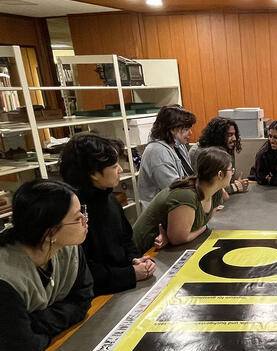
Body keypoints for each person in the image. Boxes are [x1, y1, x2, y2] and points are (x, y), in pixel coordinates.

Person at [0, 180, 94, 351]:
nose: (85, 220)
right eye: (77, 218)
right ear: (49, 232)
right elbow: (22, 350)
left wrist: (36, 322)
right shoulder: (6, 278)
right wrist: (62, 316)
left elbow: (83, 299)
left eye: (83, 211)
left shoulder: (68, 248)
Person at [59, 133, 155, 295]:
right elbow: (84, 272)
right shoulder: (73, 213)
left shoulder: (109, 198)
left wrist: (135, 260)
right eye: (113, 166)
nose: (120, 170)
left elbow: (126, 240)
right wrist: (131, 274)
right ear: (93, 174)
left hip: (122, 284)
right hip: (100, 293)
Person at [132, 147, 231, 253]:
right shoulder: (186, 196)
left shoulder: (216, 192)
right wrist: (204, 228)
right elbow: (178, 239)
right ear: (220, 174)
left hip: (162, 250)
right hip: (142, 253)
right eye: (231, 170)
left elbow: (205, 219)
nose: (232, 173)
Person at [137, 104, 196, 207]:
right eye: (186, 129)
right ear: (172, 129)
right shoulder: (157, 152)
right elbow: (176, 191)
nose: (190, 133)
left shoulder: (177, 145)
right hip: (162, 211)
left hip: (178, 205)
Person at [190, 117, 249, 194]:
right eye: (229, 135)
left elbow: (226, 182)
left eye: (234, 134)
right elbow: (203, 187)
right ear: (218, 136)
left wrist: (233, 185)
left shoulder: (226, 148)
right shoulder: (200, 153)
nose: (234, 138)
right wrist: (235, 187)